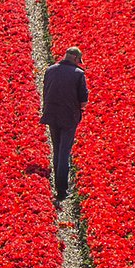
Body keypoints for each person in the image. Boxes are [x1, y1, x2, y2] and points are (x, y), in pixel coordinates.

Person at [41, 46, 88, 205]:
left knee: (56, 149)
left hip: (52, 114)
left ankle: (57, 183)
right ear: (75, 58)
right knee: (64, 152)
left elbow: (45, 91)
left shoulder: (50, 70)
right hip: (69, 117)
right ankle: (62, 189)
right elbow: (84, 101)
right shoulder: (78, 74)